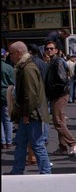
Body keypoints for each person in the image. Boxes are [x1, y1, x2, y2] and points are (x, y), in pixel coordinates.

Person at [8, 41, 52, 175]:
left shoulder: (27, 69)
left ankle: (45, 172)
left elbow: (31, 95)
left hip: (32, 114)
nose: (11, 57)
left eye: (12, 53)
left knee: (37, 144)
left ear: (19, 53)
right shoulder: (25, 67)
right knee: (21, 143)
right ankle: (17, 170)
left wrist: (26, 114)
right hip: (28, 114)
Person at [44, 40, 76, 156]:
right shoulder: (52, 61)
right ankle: (63, 147)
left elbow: (62, 80)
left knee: (58, 121)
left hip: (59, 94)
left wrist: (52, 89)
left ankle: (73, 143)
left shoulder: (57, 61)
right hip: (56, 94)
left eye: (51, 48)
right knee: (60, 121)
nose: (49, 50)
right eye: (47, 48)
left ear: (57, 50)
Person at [1, 50, 15, 150]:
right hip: (6, 93)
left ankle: (2, 141)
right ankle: (9, 141)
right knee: (8, 119)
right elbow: (12, 82)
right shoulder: (8, 67)